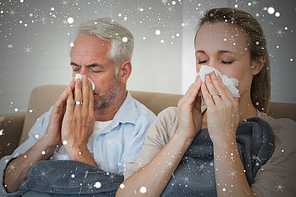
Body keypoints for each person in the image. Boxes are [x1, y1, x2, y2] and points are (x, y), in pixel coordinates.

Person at [117, 8, 296, 197]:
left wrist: (224, 138)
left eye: (226, 61)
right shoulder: (170, 120)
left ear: (256, 64)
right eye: (202, 60)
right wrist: (183, 135)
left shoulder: (282, 136)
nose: (210, 72)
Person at [0, 18, 156, 195]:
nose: (81, 80)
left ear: (123, 72)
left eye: (94, 69)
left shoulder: (145, 128)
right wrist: (46, 143)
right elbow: (6, 186)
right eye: (75, 69)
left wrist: (77, 148)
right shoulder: (57, 115)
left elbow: (126, 195)